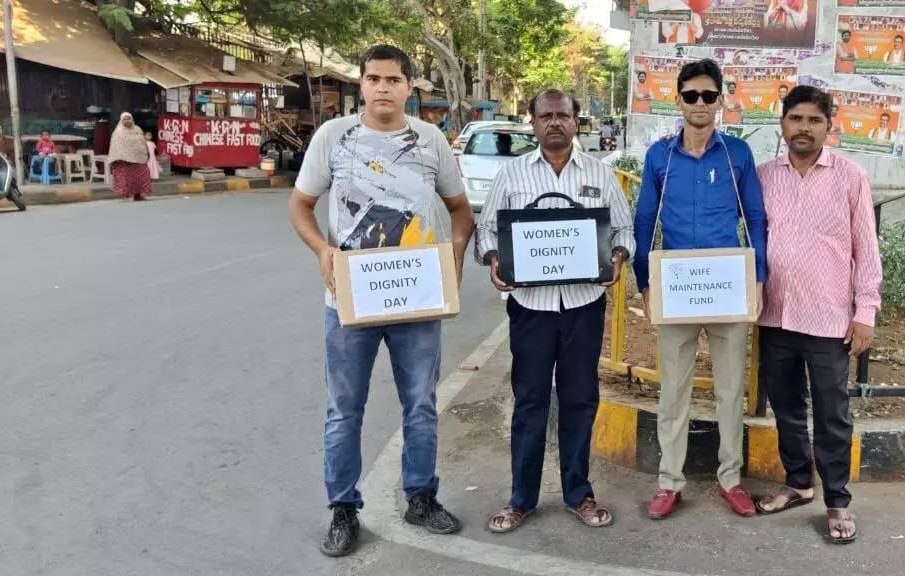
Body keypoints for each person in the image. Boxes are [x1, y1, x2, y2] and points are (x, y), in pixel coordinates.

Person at [286, 44, 475, 558]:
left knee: (421, 405)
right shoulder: (333, 137)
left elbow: (460, 212)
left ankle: (421, 496)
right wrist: (323, 249)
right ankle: (343, 508)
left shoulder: (431, 141)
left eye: (393, 79)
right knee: (344, 410)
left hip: (416, 301)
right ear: (362, 85)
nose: (383, 88)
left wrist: (454, 253)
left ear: (410, 87)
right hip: (349, 304)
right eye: (373, 79)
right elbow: (301, 205)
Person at [475, 89, 636, 534]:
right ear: (533, 123)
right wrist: (494, 260)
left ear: (575, 120)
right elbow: (487, 231)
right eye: (545, 116)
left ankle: (578, 493)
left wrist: (618, 256)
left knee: (580, 400)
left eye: (562, 115)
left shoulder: (599, 174)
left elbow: (623, 228)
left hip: (583, 305)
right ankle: (521, 499)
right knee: (529, 401)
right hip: (531, 308)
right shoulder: (511, 175)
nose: (554, 123)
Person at [634, 59, 768, 520]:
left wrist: (759, 278)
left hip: (728, 287)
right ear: (678, 100)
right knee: (674, 391)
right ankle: (670, 482)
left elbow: (755, 220)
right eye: (691, 95)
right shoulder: (660, 156)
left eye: (709, 95)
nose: (700, 103)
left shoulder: (737, 156)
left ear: (720, 101)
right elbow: (644, 222)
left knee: (731, 391)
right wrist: (644, 281)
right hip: (677, 289)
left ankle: (730, 479)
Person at [753, 85, 881, 545]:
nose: (804, 128)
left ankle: (837, 501)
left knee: (832, 413)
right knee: (786, 408)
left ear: (830, 126)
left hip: (828, 319)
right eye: (796, 119)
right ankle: (798, 483)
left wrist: (865, 310)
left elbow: (866, 247)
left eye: (814, 120)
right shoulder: (765, 175)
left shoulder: (850, 177)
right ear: (782, 124)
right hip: (774, 316)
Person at [109, 113, 153, 201]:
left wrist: (146, 152)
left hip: (139, 158)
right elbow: (116, 146)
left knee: (141, 177)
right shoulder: (118, 132)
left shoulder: (137, 129)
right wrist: (118, 157)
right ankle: (129, 195)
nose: (127, 121)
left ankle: (139, 195)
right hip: (125, 160)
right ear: (121, 121)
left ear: (132, 119)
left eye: (128, 119)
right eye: (124, 119)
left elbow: (142, 141)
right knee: (128, 179)